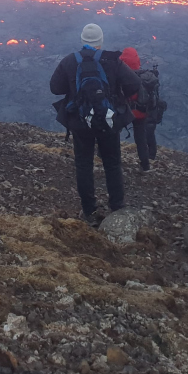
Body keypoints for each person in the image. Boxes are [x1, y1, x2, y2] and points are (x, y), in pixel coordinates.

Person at [49, 23, 141, 226]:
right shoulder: (112, 61)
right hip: (108, 121)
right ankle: (117, 206)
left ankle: (89, 210)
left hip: (81, 123)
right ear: (100, 42)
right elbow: (134, 84)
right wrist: (115, 97)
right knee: (112, 163)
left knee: (84, 164)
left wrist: (75, 92)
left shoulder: (70, 61)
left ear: (82, 41)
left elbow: (55, 88)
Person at [119, 47, 158, 173]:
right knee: (140, 137)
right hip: (141, 112)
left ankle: (104, 158)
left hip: (124, 111)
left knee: (112, 133)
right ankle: (145, 165)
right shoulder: (144, 76)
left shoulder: (121, 74)